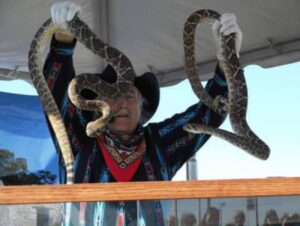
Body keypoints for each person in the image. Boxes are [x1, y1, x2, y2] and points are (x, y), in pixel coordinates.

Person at [44, 1, 243, 226]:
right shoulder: (79, 139)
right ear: (97, 105)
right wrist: (63, 40)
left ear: (142, 107)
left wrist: (228, 61)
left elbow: (208, 114)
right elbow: (56, 94)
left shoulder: (160, 144)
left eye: (129, 95)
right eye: (112, 95)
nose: (121, 104)